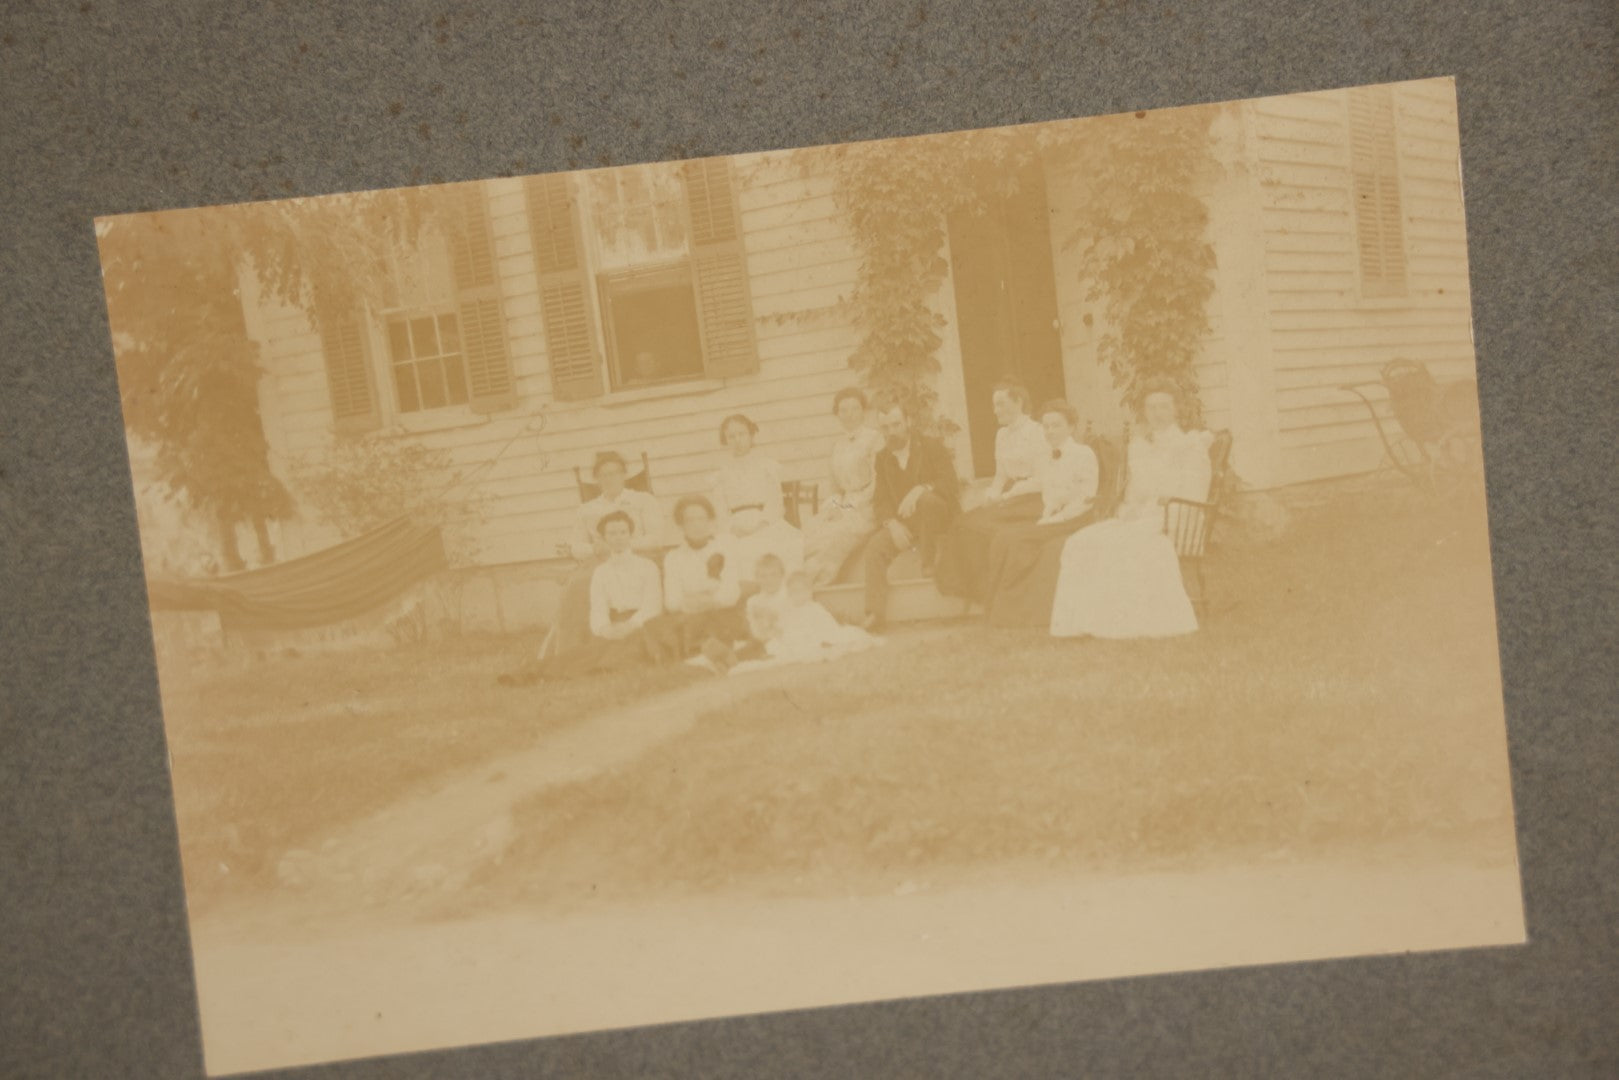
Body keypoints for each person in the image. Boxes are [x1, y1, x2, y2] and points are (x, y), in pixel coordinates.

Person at [1049, 379, 1215, 640]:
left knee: (1123, 545)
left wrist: (1159, 508)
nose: (1157, 414)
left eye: (1163, 407)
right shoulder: (1140, 447)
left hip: (1177, 518)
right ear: (1144, 413)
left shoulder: (1191, 446)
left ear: (1176, 410)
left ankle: (1124, 621)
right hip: (1141, 517)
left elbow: (1195, 492)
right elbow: (1134, 493)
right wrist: (1131, 508)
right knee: (1081, 542)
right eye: (1151, 408)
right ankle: (1085, 620)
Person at [498, 511, 662, 684]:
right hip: (613, 624)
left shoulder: (647, 566)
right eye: (612, 533)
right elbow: (598, 608)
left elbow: (653, 605)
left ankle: (546, 675)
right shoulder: (601, 572)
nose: (618, 538)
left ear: (630, 535)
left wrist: (629, 625)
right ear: (604, 539)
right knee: (587, 653)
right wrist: (605, 629)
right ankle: (528, 674)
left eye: (623, 532)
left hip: (642, 624)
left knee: (615, 656)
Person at [984, 400, 1102, 627]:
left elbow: (1086, 497)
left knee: (1015, 537)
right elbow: (1043, 487)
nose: (1050, 431)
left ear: (1071, 427)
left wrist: (1056, 518)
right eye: (1046, 426)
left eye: (1056, 425)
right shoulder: (1045, 455)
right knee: (1004, 539)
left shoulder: (1083, 453)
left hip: (1076, 518)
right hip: (1052, 518)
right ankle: (1006, 614)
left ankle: (1015, 615)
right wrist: (1012, 498)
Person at [932, 379, 1051, 605]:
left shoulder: (1037, 432)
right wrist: (991, 494)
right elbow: (1000, 476)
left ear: (1019, 402)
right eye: (994, 405)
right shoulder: (1002, 435)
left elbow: (1042, 479)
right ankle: (975, 592)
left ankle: (992, 594)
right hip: (1011, 496)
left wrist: (1007, 495)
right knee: (963, 523)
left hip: (1035, 499)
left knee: (982, 529)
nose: (996, 411)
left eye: (1001, 404)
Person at [549, 450, 664, 657]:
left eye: (615, 473)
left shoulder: (642, 500)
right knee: (577, 585)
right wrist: (593, 548)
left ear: (624, 474)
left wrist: (624, 545)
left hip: (637, 555)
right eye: (604, 475)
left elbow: (656, 538)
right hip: (600, 560)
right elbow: (576, 545)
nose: (610, 479)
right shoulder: (587, 508)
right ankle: (572, 649)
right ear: (597, 479)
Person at [858, 398, 960, 630]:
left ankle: (928, 564)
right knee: (875, 547)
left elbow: (950, 483)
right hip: (906, 525)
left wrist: (921, 488)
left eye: (896, 425)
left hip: (939, 516)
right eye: (885, 428)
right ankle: (875, 614)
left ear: (908, 422)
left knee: (927, 501)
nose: (891, 432)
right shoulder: (882, 458)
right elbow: (881, 500)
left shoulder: (931, 446)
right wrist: (891, 523)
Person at [643, 493, 750, 661]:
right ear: (681, 525)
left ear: (711, 521)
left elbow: (731, 592)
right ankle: (707, 653)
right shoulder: (674, 557)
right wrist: (697, 601)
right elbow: (672, 602)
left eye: (701, 519)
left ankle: (710, 652)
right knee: (656, 626)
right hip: (690, 614)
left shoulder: (725, 547)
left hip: (721, 611)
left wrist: (708, 601)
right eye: (690, 520)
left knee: (721, 619)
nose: (696, 525)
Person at [801, 388, 886, 586]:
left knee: (835, 537)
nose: (850, 415)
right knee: (812, 532)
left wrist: (848, 509)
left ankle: (814, 584)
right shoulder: (837, 445)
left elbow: (878, 482)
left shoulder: (875, 439)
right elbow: (834, 487)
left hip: (867, 507)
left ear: (863, 411)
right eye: (843, 410)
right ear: (837, 414)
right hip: (843, 506)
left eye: (855, 409)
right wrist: (834, 507)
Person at [709, 413, 805, 584]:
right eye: (731, 436)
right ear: (725, 439)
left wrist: (761, 525)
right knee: (727, 548)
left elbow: (775, 502)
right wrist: (732, 528)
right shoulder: (721, 473)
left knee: (779, 546)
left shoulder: (766, 465)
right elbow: (719, 510)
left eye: (742, 434)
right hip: (735, 524)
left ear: (751, 435)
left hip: (765, 522)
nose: (737, 440)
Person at [728, 571, 880, 675]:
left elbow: (826, 626)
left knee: (835, 638)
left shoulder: (814, 607)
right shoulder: (789, 609)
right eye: (793, 592)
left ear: (809, 592)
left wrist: (824, 638)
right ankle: (733, 657)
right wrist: (778, 630)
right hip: (793, 638)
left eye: (801, 591)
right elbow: (785, 625)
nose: (797, 596)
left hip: (813, 636)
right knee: (774, 645)